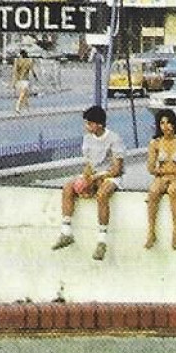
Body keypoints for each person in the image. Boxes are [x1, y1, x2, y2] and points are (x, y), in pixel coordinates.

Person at [53, 105, 124, 260]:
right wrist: (86, 178)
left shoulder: (114, 139)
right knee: (68, 187)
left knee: (102, 195)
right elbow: (89, 164)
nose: (86, 127)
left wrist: (97, 178)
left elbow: (117, 169)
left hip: (109, 177)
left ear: (99, 124)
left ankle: (102, 241)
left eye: (89, 123)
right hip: (94, 175)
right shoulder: (87, 139)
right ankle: (66, 231)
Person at [144, 111, 176, 250]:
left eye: (169, 123)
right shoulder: (155, 143)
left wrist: (170, 174)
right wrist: (167, 173)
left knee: (173, 190)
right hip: (163, 177)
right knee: (153, 191)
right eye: (162, 123)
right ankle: (151, 231)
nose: (166, 127)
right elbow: (151, 168)